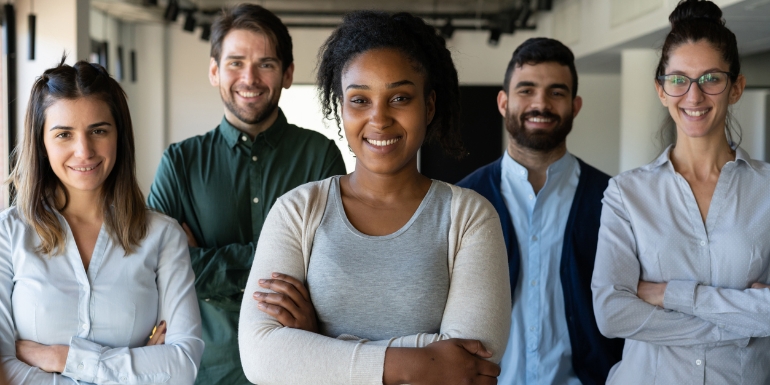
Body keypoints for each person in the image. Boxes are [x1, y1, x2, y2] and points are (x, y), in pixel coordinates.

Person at [238, 11, 511, 385]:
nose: (379, 119)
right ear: (340, 107)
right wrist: (423, 361)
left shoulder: (470, 217)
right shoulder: (296, 211)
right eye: (360, 100)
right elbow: (261, 357)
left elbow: (473, 367)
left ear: (428, 106)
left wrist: (317, 344)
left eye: (399, 97)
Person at [147, 4, 347, 384]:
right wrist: (287, 261)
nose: (249, 78)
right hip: (204, 371)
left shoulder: (321, 157)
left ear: (287, 74)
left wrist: (200, 262)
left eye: (266, 64)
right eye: (236, 62)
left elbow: (331, 266)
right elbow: (155, 272)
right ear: (214, 71)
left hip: (296, 366)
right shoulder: (180, 163)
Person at [591, 0, 770, 383]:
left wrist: (669, 295)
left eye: (711, 78)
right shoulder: (626, 194)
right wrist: (740, 323)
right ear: (661, 90)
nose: (693, 96)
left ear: (735, 87)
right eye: (678, 79)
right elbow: (611, 313)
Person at [0, 60, 203, 384]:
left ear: (119, 136)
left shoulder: (163, 236)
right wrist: (136, 370)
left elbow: (183, 364)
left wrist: (60, 358)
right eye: (64, 134)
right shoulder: (8, 235)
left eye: (98, 130)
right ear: (41, 143)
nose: (84, 151)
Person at [457, 38, 623, 384]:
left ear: (575, 105)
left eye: (556, 92)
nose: (541, 103)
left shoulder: (613, 200)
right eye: (526, 90)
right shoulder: (464, 200)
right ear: (504, 102)